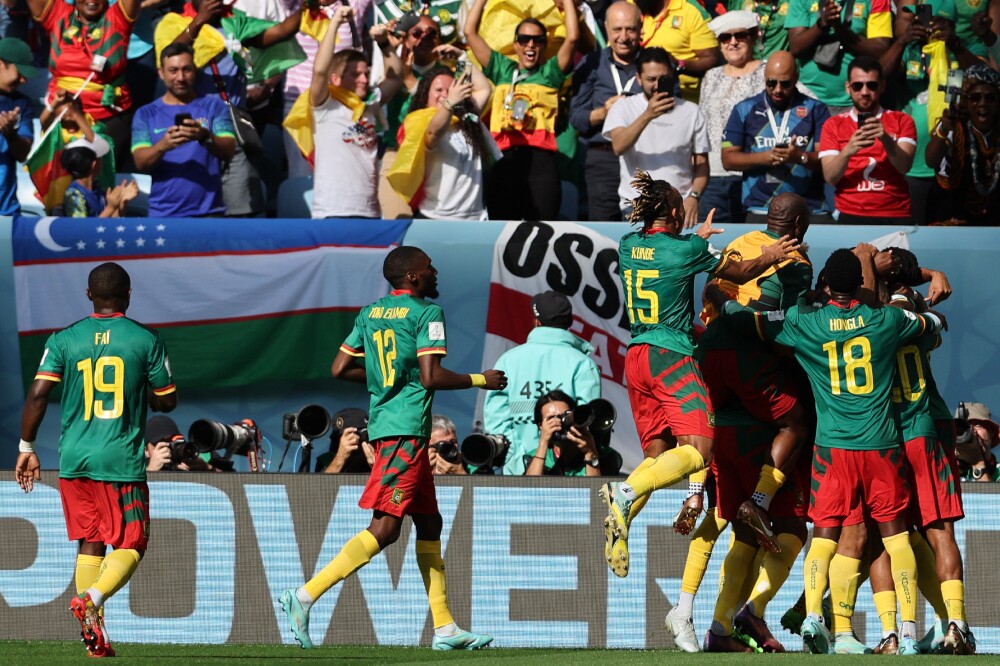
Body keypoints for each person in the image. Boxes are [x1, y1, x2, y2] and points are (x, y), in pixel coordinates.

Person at [711, 249, 946, 655]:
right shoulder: (885, 319)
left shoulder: (805, 322)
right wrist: (926, 310)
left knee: (824, 535)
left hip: (832, 449)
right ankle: (907, 632)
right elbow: (932, 323)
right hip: (881, 446)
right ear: (859, 284)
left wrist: (720, 299)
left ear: (827, 286)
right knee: (895, 537)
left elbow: (750, 322)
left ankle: (815, 617)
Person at [278, 246, 506, 650]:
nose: (436, 273)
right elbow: (432, 376)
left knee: (430, 523)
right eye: (430, 268)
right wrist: (480, 379)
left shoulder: (370, 313)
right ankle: (304, 596)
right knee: (385, 529)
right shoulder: (427, 314)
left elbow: (339, 368)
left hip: (392, 427)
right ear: (413, 278)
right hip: (404, 431)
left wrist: (386, 379)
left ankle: (445, 628)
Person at [600, 170, 800, 579]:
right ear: (675, 213)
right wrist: (773, 255)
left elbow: (672, 251)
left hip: (635, 356)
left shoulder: (628, 243)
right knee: (699, 451)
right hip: (671, 356)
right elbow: (741, 273)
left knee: (657, 457)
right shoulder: (687, 249)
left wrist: (699, 238)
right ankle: (623, 492)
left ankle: (621, 523)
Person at [15, 262, 177, 658]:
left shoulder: (64, 339)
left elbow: (38, 395)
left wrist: (26, 447)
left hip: (74, 460)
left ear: (89, 295)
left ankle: (95, 637)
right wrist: (141, 386)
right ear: (129, 294)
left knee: (91, 541)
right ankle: (92, 598)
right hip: (118, 458)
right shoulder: (145, 339)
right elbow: (167, 399)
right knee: (133, 541)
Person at [697, 193, 813, 554]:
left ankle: (695, 493)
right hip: (746, 353)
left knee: (715, 423)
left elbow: (711, 287)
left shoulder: (739, 242)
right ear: (797, 226)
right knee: (796, 424)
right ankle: (759, 501)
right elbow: (790, 330)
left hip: (709, 348)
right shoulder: (796, 260)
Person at [464, 0, 578, 221]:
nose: (531, 45)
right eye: (524, 39)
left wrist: (568, 2)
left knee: (541, 233)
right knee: (503, 235)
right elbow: (470, 32)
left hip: (540, 164)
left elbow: (572, 37)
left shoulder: (550, 73)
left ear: (545, 45)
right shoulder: (501, 68)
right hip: (504, 158)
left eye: (538, 40)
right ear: (515, 44)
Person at [483, 290, 601, 477]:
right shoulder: (583, 364)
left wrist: (519, 461)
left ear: (536, 322)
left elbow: (496, 424)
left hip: (517, 472)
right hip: (571, 472)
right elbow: (588, 422)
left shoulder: (508, 361)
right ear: (569, 323)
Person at [308, 6, 402, 219]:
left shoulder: (369, 105)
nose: (363, 79)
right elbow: (320, 70)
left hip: (369, 211)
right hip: (333, 212)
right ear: (335, 79)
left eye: (366, 73)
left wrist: (384, 44)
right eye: (355, 74)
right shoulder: (325, 106)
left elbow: (396, 78)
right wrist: (334, 25)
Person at [604, 47, 709, 226]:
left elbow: (702, 165)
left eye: (664, 79)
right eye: (651, 79)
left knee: (677, 254)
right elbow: (618, 146)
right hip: (637, 205)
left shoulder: (691, 111)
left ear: (673, 76)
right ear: (638, 78)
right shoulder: (623, 107)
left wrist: (694, 197)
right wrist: (648, 114)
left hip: (678, 206)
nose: (657, 85)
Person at [28, 0, 141, 168]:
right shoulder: (58, 13)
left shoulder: (117, 17)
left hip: (109, 118)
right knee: (62, 179)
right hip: (62, 116)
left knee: (102, 179)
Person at [722, 51, 831, 224]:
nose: (778, 90)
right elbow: (728, 159)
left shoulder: (816, 109)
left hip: (808, 207)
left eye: (785, 84)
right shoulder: (744, 109)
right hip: (761, 207)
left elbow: (827, 161)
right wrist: (765, 157)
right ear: (764, 76)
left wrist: (799, 157)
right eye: (771, 83)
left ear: (796, 77)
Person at [131, 43, 237, 218]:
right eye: (173, 70)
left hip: (209, 214)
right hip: (163, 215)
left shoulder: (215, 107)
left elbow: (229, 150)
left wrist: (204, 136)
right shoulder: (145, 114)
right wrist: (163, 146)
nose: (180, 77)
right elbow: (140, 161)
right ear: (161, 73)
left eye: (186, 69)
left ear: (195, 70)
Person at [387, 60, 495, 220]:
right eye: (438, 90)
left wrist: (463, 58)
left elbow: (484, 89)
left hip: (475, 220)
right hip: (436, 219)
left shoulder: (466, 120)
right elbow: (433, 134)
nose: (445, 94)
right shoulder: (420, 121)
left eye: (450, 90)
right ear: (425, 96)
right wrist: (450, 102)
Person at [568, 1, 643, 221]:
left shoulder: (655, 62)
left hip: (644, 158)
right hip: (603, 157)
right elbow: (577, 118)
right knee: (604, 226)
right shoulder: (591, 63)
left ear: (640, 28)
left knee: (644, 228)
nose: (623, 36)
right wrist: (604, 111)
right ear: (607, 29)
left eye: (630, 29)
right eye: (617, 29)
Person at [818, 56, 916, 224]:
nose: (864, 92)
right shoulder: (833, 125)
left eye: (872, 85)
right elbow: (830, 177)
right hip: (849, 213)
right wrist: (848, 151)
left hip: (894, 213)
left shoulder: (902, 120)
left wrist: (885, 139)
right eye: (857, 86)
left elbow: (904, 167)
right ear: (848, 88)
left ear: (882, 86)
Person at [699, 11, 765, 226]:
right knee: (709, 244)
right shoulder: (711, 76)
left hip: (752, 174)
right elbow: (702, 125)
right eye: (725, 38)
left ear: (753, 37)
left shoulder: (768, 73)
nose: (733, 42)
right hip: (713, 176)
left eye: (740, 36)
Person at [926, 64, 1000, 226]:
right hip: (954, 219)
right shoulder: (954, 127)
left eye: (990, 97)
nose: (983, 103)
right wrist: (945, 128)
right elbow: (931, 161)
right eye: (975, 97)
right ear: (966, 101)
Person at [785, 0, 892, 112]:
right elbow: (796, 48)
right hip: (808, 99)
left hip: (856, 101)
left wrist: (840, 30)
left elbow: (881, 50)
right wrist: (822, 25)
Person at [632, 0, 719, 101]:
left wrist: (677, 64)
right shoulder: (630, 6)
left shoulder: (691, 10)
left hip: (684, 99)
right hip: (637, 94)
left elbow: (711, 58)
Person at [526, 391, 602, 477]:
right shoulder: (533, 456)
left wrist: (591, 454)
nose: (560, 422)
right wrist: (543, 443)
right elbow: (530, 487)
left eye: (566, 416)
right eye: (552, 418)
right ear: (541, 426)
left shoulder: (605, 455)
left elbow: (598, 489)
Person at [60, 137, 139, 218]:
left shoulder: (97, 188)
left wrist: (122, 201)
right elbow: (83, 229)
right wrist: (110, 207)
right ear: (94, 164)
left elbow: (110, 221)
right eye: (99, 158)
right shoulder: (73, 194)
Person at [0, 37, 35, 217]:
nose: (23, 80)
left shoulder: (23, 104)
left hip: (7, 212)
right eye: (20, 72)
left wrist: (11, 135)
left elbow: (23, 155)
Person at [316, 408, 375, 474]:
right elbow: (318, 483)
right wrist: (340, 458)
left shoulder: (376, 456)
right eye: (350, 435)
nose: (356, 440)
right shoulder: (326, 460)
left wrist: (377, 466)